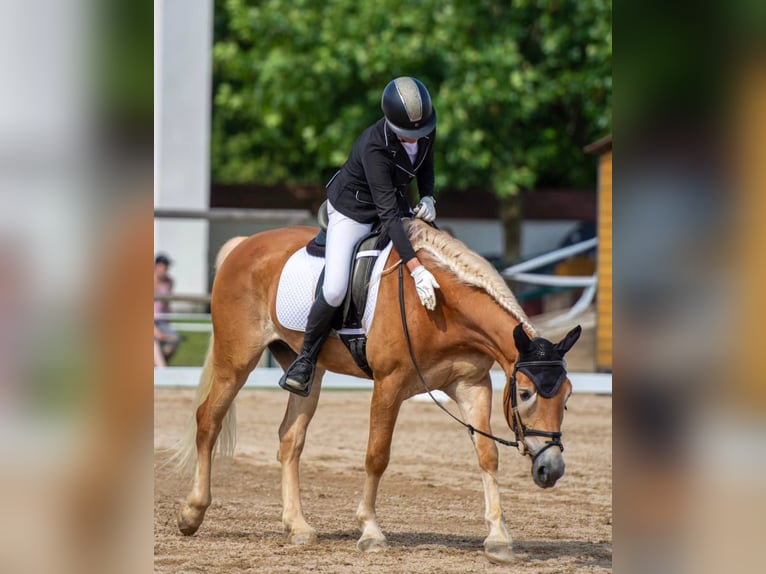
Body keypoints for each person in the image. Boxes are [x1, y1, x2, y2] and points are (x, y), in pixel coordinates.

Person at [279, 76, 441, 396]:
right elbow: (388, 215)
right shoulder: (373, 145)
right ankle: (306, 361)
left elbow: (426, 166)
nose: (414, 140)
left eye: (419, 134)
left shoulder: (425, 129)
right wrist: (415, 270)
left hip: (392, 204)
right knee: (337, 287)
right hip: (353, 211)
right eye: (407, 136)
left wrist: (429, 197)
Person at [154, 253, 180, 366]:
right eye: (164, 266)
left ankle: (161, 367)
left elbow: (167, 304)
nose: (166, 269)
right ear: (157, 266)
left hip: (162, 320)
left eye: (167, 266)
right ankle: (161, 369)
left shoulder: (169, 282)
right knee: (153, 341)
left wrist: (168, 321)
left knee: (175, 339)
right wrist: (156, 331)